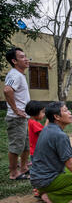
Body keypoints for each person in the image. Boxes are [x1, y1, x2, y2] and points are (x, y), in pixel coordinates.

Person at [3, 47, 31, 180]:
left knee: (25, 144)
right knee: (16, 146)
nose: (26, 59)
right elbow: (7, 90)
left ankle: (24, 167)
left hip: (23, 117)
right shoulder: (14, 74)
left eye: (26, 56)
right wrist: (16, 110)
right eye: (22, 57)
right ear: (14, 61)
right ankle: (14, 173)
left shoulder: (19, 74)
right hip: (16, 118)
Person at [25, 100, 48, 198]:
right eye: (42, 112)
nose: (44, 114)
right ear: (36, 112)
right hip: (38, 153)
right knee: (40, 171)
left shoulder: (31, 121)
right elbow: (45, 134)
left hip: (35, 152)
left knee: (38, 170)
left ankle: (38, 189)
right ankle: (39, 190)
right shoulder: (34, 123)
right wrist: (49, 121)